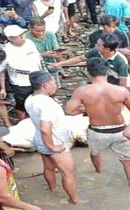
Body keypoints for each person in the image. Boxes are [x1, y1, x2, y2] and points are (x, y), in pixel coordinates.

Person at [66, 58, 130, 187]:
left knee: (95, 153)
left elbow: (69, 111)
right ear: (107, 71)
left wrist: (87, 109)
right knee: (127, 161)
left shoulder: (82, 91)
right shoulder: (122, 91)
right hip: (119, 130)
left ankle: (99, 174)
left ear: (89, 72)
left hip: (97, 131)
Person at [24, 71, 82, 204]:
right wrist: (52, 146)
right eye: (53, 82)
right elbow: (45, 128)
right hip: (54, 140)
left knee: (49, 167)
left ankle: (53, 190)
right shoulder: (47, 104)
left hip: (39, 139)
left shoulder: (30, 99)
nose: (55, 85)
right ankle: (75, 201)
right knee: (68, 173)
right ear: (45, 85)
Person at [51, 34, 130, 88]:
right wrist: (59, 63)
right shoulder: (96, 51)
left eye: (99, 45)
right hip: (106, 78)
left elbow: (122, 83)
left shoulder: (121, 61)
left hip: (118, 81)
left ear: (107, 49)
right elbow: (80, 59)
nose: (96, 46)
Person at [0, 25, 42, 121]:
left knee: (36, 103)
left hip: (36, 79)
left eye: (23, 34)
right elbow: (2, 70)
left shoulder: (30, 43)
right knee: (21, 106)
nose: (23, 37)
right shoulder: (6, 50)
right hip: (21, 84)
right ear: (11, 38)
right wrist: (3, 88)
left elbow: (38, 59)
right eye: (19, 35)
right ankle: (23, 123)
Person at [26, 18, 63, 86]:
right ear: (30, 28)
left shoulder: (50, 34)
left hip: (51, 65)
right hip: (36, 68)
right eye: (37, 31)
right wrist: (42, 55)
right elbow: (26, 56)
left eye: (43, 30)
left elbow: (57, 51)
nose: (41, 33)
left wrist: (60, 66)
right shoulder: (26, 38)